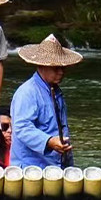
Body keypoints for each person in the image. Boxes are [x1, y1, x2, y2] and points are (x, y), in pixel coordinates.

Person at [10, 34, 82, 169]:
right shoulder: (27, 92)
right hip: (30, 168)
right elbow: (22, 127)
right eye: (56, 68)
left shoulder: (56, 92)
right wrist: (49, 141)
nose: (61, 72)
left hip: (54, 166)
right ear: (41, 66)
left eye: (63, 67)